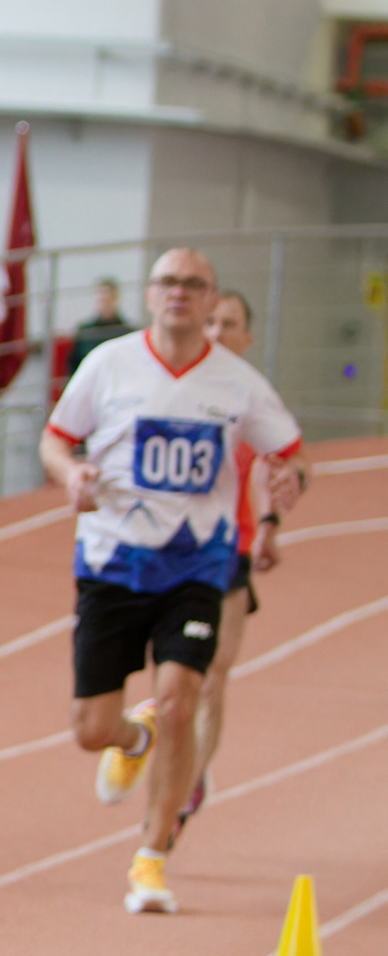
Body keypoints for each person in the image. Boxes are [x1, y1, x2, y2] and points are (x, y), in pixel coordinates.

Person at [40, 247, 304, 917]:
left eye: (192, 284)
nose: (179, 293)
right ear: (151, 294)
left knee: (184, 694)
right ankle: (135, 738)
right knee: (89, 727)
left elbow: (291, 453)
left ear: (211, 298)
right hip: (112, 562)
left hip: (196, 565)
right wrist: (69, 475)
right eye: (167, 282)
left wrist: (287, 485)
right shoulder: (109, 363)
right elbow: (55, 437)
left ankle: (152, 857)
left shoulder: (237, 382)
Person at [177, 289, 285, 840]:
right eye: (211, 321)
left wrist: (267, 524)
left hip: (231, 548)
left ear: (246, 337)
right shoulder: (172, 387)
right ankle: (171, 760)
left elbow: (274, 467)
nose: (217, 331)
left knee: (213, 675)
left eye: (230, 324)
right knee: (176, 678)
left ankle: (185, 786)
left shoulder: (252, 396)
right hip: (170, 548)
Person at [67, 277, 133, 378]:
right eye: (101, 300)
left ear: (116, 299)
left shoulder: (127, 332)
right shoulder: (85, 331)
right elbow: (75, 365)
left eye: (108, 300)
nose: (104, 304)